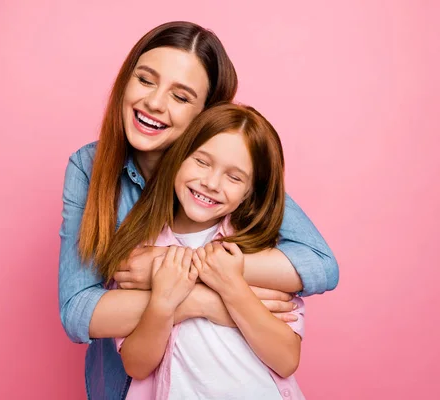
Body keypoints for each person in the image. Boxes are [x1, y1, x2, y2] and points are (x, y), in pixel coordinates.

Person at [59, 21, 338, 400]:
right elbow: (78, 311)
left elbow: (321, 266)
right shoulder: (88, 167)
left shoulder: (229, 181)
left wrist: (168, 265)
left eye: (181, 96)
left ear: (206, 116)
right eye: (145, 80)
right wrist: (205, 298)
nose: (155, 103)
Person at [108, 103, 306, 399]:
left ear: (251, 192)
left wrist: (233, 286)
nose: (211, 183)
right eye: (202, 162)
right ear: (178, 157)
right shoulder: (140, 256)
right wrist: (162, 303)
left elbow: (286, 359)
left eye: (235, 177)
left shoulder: (261, 253)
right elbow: (136, 366)